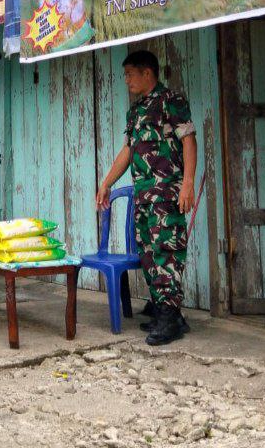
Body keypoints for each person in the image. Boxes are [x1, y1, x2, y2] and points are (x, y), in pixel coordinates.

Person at [96, 50, 196, 345]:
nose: (126, 80)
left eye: (130, 74)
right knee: (149, 254)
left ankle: (170, 317)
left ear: (147, 73)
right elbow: (127, 151)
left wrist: (187, 183)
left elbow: (189, 140)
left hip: (166, 194)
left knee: (166, 252)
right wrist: (106, 183)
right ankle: (165, 312)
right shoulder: (136, 111)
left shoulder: (171, 101)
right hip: (143, 195)